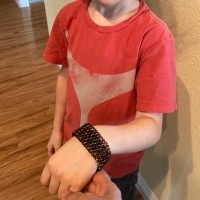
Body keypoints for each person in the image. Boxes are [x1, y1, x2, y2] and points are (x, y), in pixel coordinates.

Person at [40, 0, 176, 199]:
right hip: (72, 145)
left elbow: (151, 125)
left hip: (117, 168)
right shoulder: (68, 16)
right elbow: (65, 76)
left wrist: (92, 142)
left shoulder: (154, 36)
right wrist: (56, 130)